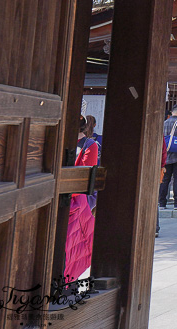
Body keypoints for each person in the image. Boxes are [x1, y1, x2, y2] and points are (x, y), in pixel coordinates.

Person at [65, 117, 99, 283]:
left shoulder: (58, 141)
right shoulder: (90, 145)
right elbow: (84, 179)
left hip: (62, 198)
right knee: (76, 246)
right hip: (76, 201)